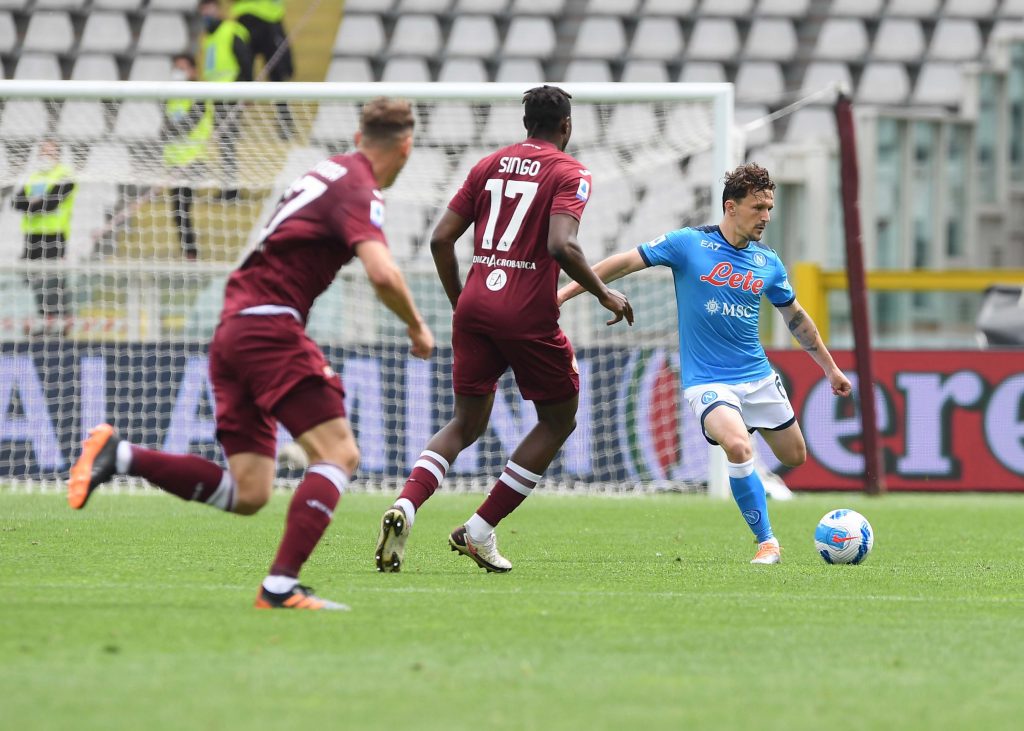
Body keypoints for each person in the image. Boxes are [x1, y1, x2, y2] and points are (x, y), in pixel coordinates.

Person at [68, 98, 434, 610]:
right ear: (406, 147)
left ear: (358, 137)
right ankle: (280, 587)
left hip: (235, 328)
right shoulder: (359, 188)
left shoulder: (328, 170)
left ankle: (120, 454)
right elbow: (382, 272)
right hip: (268, 326)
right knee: (339, 454)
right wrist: (417, 326)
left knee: (249, 491)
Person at [374, 86, 633, 574]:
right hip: (527, 314)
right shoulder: (570, 172)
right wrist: (603, 292)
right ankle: (477, 530)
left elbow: (440, 239)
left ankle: (406, 504)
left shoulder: (488, 165)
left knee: (464, 423)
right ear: (566, 126)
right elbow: (561, 245)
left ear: (526, 124)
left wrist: (461, 303)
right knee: (557, 421)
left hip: (475, 306)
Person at [557, 163, 853, 564]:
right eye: (758, 207)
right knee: (738, 446)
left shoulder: (768, 262)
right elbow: (623, 262)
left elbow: (795, 317)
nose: (766, 216)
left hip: (757, 377)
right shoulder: (688, 244)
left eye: (769, 208)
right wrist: (562, 296)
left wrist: (830, 368)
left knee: (794, 456)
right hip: (708, 380)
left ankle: (744, 427)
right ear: (731, 207)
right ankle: (767, 542)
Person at [11, 139, 76, 337]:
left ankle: (61, 322)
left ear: (58, 154)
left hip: (54, 235)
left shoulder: (65, 175)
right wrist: (37, 203)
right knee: (34, 279)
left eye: (50, 152)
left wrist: (33, 204)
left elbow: (51, 203)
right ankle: (45, 322)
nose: (46, 156)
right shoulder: (35, 177)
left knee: (53, 280)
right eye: (43, 152)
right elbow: (16, 202)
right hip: (32, 236)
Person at [198, 0, 253, 193]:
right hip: (216, 95)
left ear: (218, 9)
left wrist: (247, 90)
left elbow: (245, 61)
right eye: (204, 10)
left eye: (210, 8)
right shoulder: (208, 37)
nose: (207, 13)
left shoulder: (231, 30)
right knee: (223, 140)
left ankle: (231, 188)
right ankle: (228, 185)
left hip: (230, 92)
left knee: (227, 139)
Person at [164, 53, 213, 260]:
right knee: (177, 210)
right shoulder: (170, 98)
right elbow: (163, 128)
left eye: (183, 68)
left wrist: (170, 130)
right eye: (176, 68)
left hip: (194, 161)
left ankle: (191, 252)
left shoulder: (199, 96)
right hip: (174, 162)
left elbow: (188, 125)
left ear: (193, 71)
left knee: (182, 208)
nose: (179, 72)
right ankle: (189, 251)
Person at [230, 0, 295, 138]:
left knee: (277, 75)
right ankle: (232, 124)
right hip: (249, 19)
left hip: (269, 19)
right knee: (243, 71)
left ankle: (285, 121)